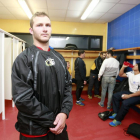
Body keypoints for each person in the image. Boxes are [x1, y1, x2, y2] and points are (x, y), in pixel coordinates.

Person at [12, 12, 73, 140]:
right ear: (31, 30)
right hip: (34, 131)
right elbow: (23, 99)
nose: (45, 28)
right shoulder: (23, 59)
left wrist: (64, 113)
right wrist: (53, 121)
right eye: (39, 25)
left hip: (59, 128)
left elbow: (67, 87)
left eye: (48, 25)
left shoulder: (59, 58)